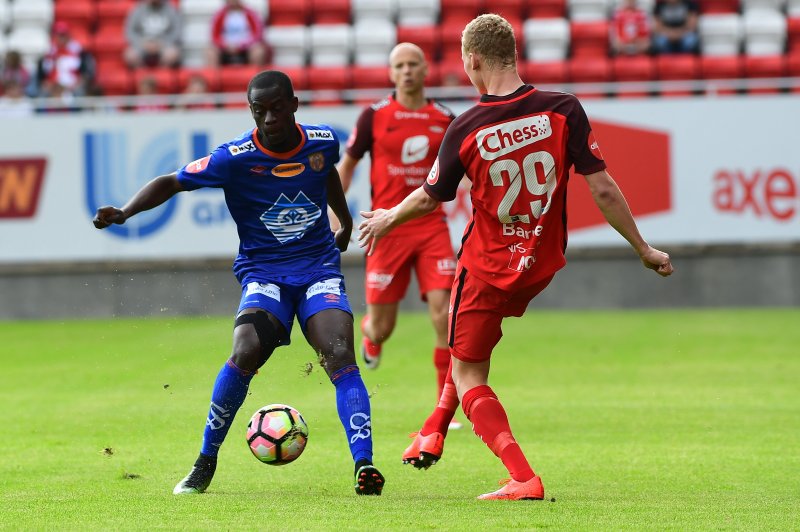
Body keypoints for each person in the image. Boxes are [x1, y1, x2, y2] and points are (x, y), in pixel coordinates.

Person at [358, 14, 674, 501]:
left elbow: (427, 197)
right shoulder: (564, 109)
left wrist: (385, 219)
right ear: (514, 55)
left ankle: (522, 477)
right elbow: (604, 189)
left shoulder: (466, 126)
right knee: (469, 352)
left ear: (474, 60)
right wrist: (644, 248)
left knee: (466, 373)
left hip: (486, 265)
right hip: (539, 264)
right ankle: (433, 429)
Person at [93, 70, 385, 497]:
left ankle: (365, 465)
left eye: (277, 108)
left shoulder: (322, 141)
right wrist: (124, 212)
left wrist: (340, 222)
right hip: (264, 273)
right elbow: (171, 182)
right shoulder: (233, 157)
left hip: (319, 269)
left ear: (294, 105)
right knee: (246, 349)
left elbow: (326, 177)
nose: (268, 118)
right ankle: (204, 462)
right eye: (258, 110)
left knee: (340, 353)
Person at [336, 43, 461, 426]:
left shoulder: (445, 118)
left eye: (413, 64)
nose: (406, 71)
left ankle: (445, 405)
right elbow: (348, 164)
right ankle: (370, 334)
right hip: (385, 227)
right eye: (399, 65)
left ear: (425, 70)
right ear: (391, 74)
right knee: (383, 325)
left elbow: (464, 172)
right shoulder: (374, 116)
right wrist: (336, 216)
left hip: (429, 225)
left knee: (445, 314)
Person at [34, 21, 95, 98]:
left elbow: (86, 74)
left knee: (79, 93)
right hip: (53, 88)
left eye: (63, 35)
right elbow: (42, 75)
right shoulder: (48, 53)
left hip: (73, 87)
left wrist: (75, 85)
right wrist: (49, 86)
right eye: (58, 35)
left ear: (69, 35)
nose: (61, 38)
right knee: (41, 94)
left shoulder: (80, 53)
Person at [208, 0, 268, 67]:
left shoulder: (251, 13)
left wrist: (242, 46)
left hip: (246, 49)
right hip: (225, 49)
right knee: (210, 52)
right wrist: (225, 46)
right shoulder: (219, 14)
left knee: (258, 51)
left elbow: (257, 34)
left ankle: (254, 74)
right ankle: (214, 76)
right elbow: (214, 36)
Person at [124, 0, 182, 68]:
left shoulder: (171, 9)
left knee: (172, 54)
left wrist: (162, 43)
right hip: (142, 44)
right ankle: (143, 76)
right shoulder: (138, 9)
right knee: (130, 55)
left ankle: (161, 76)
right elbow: (130, 31)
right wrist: (142, 43)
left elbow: (177, 31)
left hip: (164, 45)